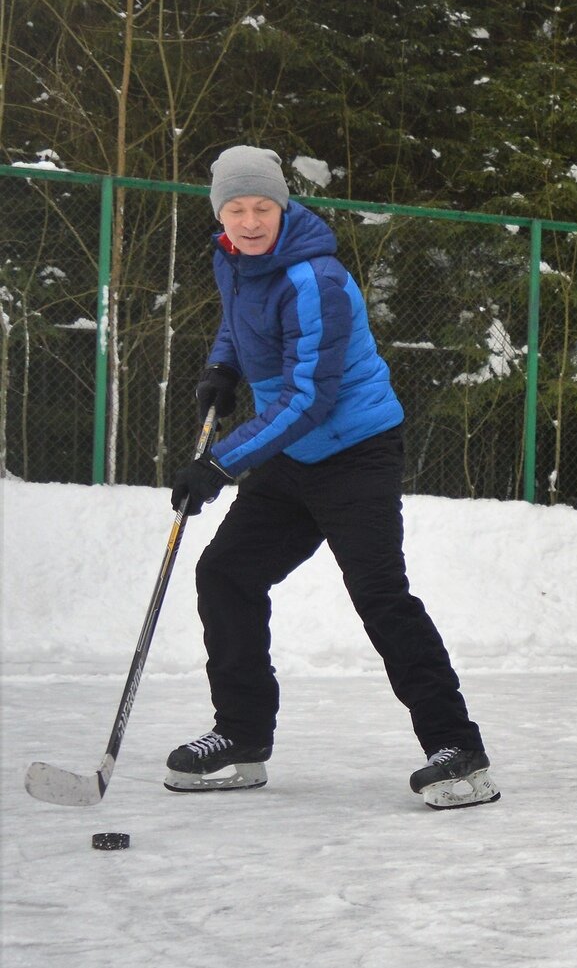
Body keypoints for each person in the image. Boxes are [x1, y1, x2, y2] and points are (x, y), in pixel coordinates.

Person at [162, 145, 497, 809]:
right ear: (220, 213)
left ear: (283, 208)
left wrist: (221, 462)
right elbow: (239, 320)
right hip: (292, 455)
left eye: (262, 207)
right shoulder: (231, 257)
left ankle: (459, 752)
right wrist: (221, 369)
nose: (250, 221)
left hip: (355, 453)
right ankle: (242, 739)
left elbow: (309, 396)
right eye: (236, 208)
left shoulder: (316, 278)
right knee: (225, 572)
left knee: (380, 595)